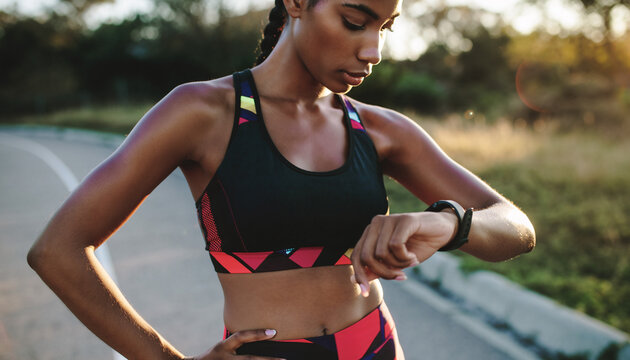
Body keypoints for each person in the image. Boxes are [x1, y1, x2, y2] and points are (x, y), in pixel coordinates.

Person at [27, 0, 536, 359]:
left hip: (376, 349)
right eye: (355, 21)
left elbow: (515, 229)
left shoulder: (380, 129)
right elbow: (58, 250)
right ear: (296, 1)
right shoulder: (204, 112)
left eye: (385, 26)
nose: (373, 50)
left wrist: (447, 223)